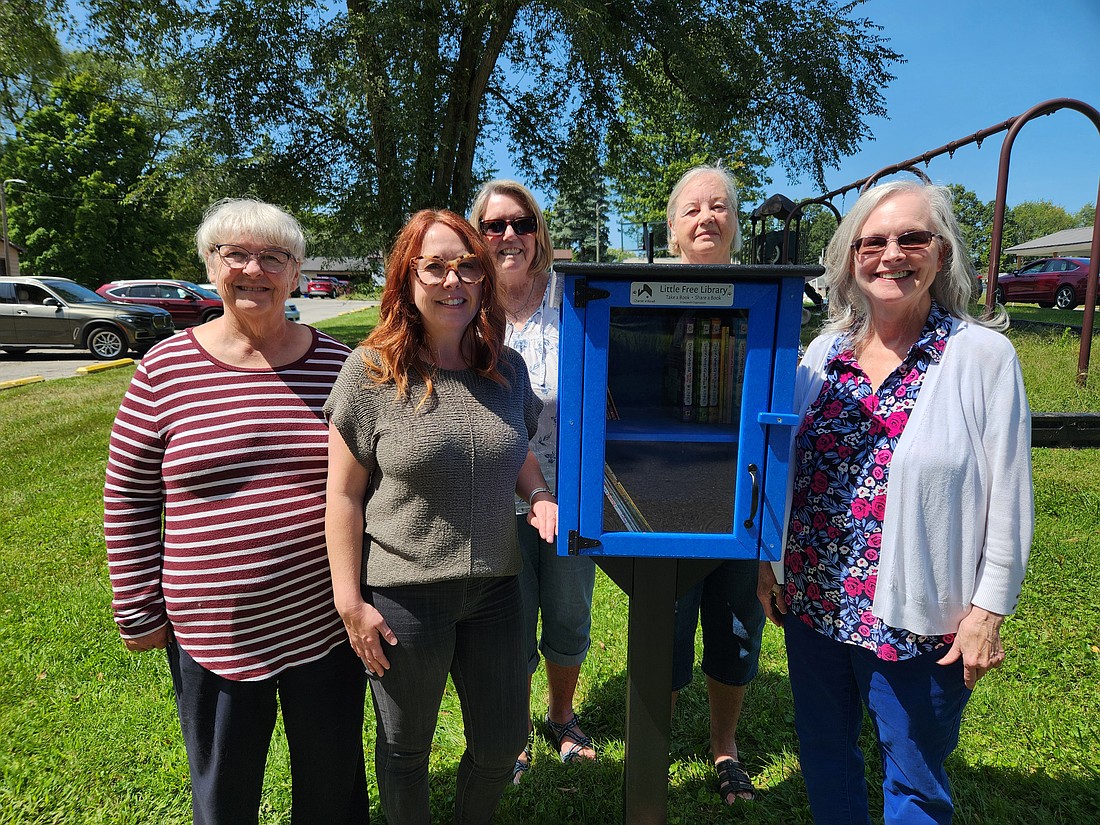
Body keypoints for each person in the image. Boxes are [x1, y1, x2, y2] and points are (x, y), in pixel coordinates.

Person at [757, 179, 1033, 824]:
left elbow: (1010, 499)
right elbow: (780, 465)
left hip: (920, 618)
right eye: (872, 242)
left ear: (942, 254)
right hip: (814, 603)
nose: (891, 255)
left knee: (914, 782)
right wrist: (766, 565)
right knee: (826, 757)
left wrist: (988, 610)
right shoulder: (823, 353)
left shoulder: (981, 358)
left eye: (911, 238)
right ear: (850, 258)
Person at [104, 198, 369, 824]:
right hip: (215, 627)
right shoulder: (164, 369)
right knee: (224, 791)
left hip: (326, 621)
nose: (255, 270)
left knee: (333, 787)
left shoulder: (339, 366)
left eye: (273, 257)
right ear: (210, 265)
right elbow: (129, 492)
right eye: (236, 255)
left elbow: (371, 482)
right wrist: (136, 606)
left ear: (296, 272)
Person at [324, 209, 558, 825]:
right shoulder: (372, 372)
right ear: (407, 278)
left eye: (467, 266)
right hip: (406, 593)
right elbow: (343, 497)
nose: (453, 280)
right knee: (406, 748)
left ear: (483, 279)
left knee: (503, 741)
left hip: (497, 587)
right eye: (435, 266)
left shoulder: (505, 369)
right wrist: (351, 602)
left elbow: (516, 449)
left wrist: (538, 495)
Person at [468, 180, 597, 783]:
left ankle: (563, 716)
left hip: (569, 492)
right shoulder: (466, 305)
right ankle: (516, 730)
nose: (509, 236)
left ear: (538, 230)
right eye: (494, 226)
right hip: (494, 494)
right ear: (479, 236)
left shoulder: (576, 301)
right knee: (511, 618)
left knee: (568, 611)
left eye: (520, 223)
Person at [666, 164, 764, 804]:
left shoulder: (763, 300)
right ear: (673, 231)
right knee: (665, 629)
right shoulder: (647, 296)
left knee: (734, 631)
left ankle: (724, 747)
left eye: (720, 207)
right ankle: (661, 738)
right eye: (692, 209)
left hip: (740, 502)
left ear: (736, 224)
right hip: (664, 497)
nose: (707, 218)